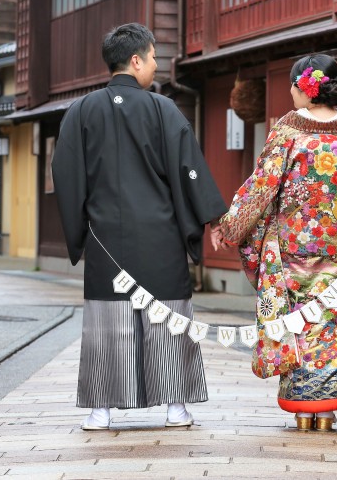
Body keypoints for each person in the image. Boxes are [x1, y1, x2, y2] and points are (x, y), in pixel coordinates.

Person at [52, 23, 227, 430]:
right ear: (136, 60)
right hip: (160, 235)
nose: (154, 66)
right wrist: (209, 218)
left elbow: (66, 174)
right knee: (167, 315)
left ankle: (101, 410)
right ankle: (175, 408)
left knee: (106, 320)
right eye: (152, 58)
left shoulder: (80, 111)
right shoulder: (163, 110)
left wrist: (79, 231)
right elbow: (190, 171)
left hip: (104, 237)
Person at [211, 54, 337, 431]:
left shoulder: (287, 131)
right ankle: (326, 413)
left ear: (303, 88)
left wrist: (230, 228)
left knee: (297, 325)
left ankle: (302, 410)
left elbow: (260, 189)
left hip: (292, 250)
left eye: (293, 87)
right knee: (334, 326)